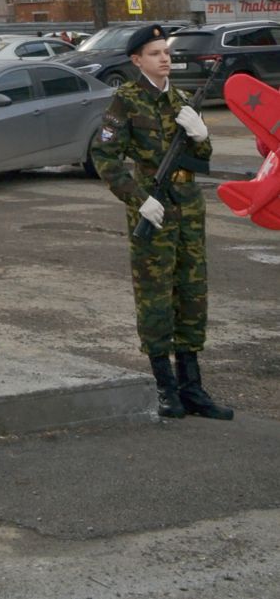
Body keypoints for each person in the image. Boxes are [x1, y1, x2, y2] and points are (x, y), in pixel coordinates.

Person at [92, 22, 232, 420]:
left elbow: (201, 157)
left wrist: (201, 132)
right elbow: (105, 157)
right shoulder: (127, 100)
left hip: (188, 209)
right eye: (155, 54)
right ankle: (166, 388)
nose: (164, 58)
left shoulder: (183, 99)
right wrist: (139, 199)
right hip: (153, 211)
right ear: (137, 60)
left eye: (166, 52)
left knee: (192, 294)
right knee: (156, 297)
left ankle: (193, 388)